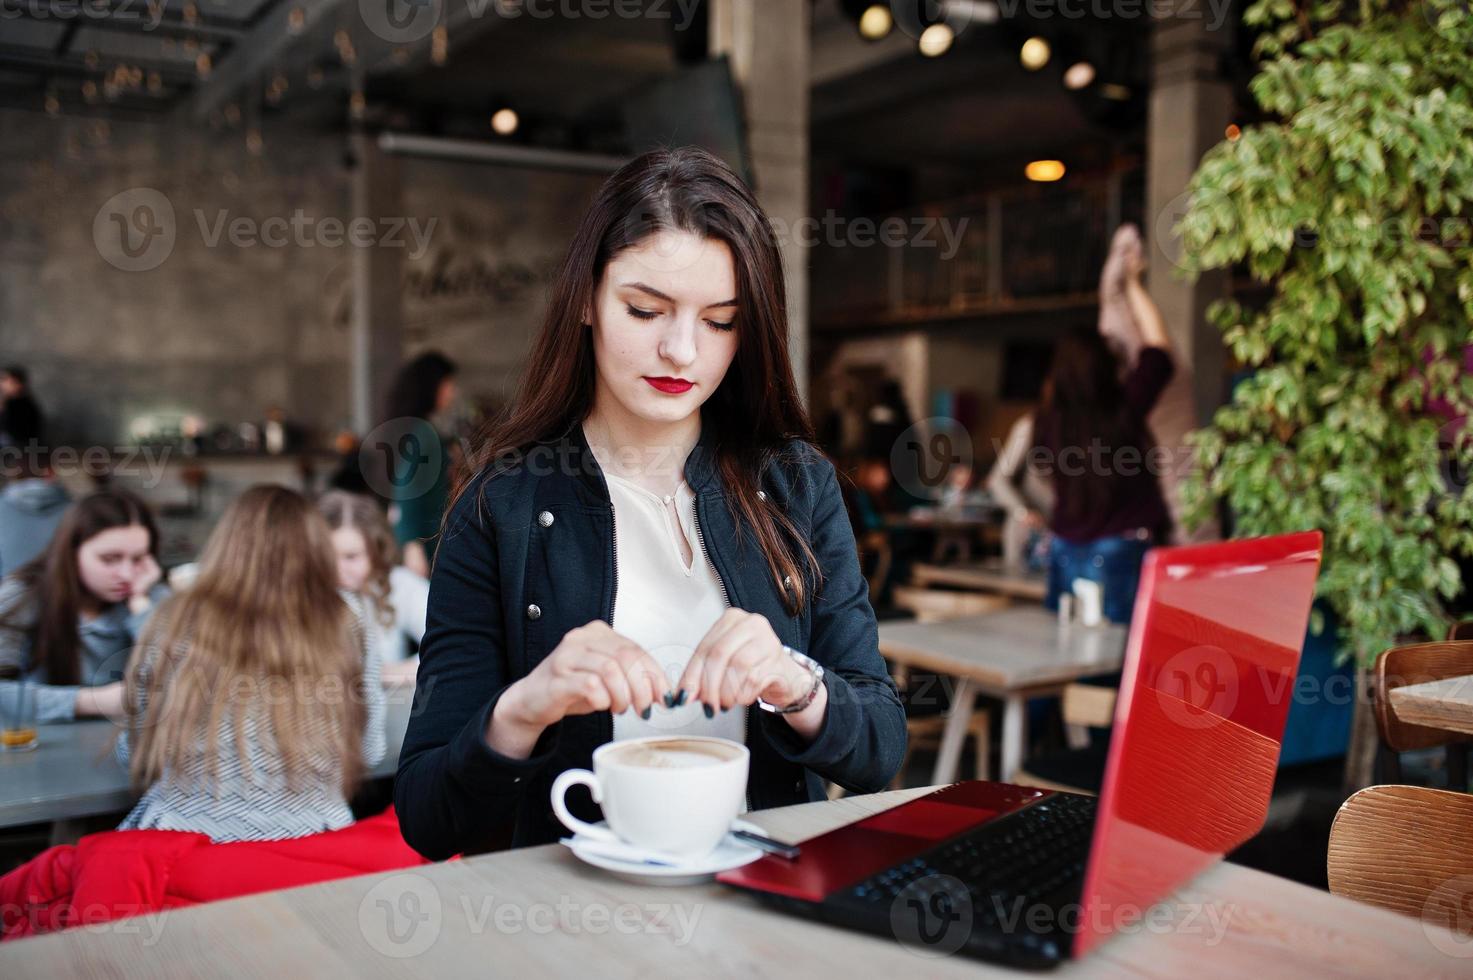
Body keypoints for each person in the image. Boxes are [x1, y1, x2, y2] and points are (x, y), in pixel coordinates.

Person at [394, 147, 907, 859]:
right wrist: (526, 706)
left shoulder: (795, 485)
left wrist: (794, 682)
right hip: (569, 926)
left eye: (721, 320)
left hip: (760, 912)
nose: (681, 351)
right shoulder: (500, 506)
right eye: (644, 309)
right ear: (585, 299)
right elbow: (427, 814)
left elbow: (878, 748)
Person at [116, 485, 385, 842]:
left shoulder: (172, 615)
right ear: (317, 549)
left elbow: (136, 754)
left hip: (184, 840)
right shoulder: (349, 617)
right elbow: (370, 751)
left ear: (225, 544)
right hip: (311, 842)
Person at [1032, 250, 1175, 624]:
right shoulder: (1122, 409)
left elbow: (1045, 477)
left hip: (1064, 546)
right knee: (1118, 660)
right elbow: (1158, 349)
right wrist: (1132, 286)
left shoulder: (1048, 423)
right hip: (1122, 545)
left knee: (1064, 655)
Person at [0, 490, 167, 722]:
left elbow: (181, 684)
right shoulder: (23, 596)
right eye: (110, 559)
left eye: (138, 558)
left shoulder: (150, 596)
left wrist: (141, 606)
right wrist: (95, 701)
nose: (127, 574)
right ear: (71, 552)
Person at [319, 490, 428, 686]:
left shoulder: (400, 585)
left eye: (351, 556)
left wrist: (381, 675)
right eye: (327, 557)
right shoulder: (304, 591)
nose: (337, 569)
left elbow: (457, 646)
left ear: (376, 550)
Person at [384, 352, 459, 578]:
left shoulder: (416, 428)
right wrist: (411, 545)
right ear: (432, 386)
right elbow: (407, 486)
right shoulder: (423, 434)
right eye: (448, 384)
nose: (452, 392)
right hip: (422, 542)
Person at [0, 448, 72, 576]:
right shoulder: (75, 510)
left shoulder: (2, 505)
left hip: (8, 588)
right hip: (56, 589)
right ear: (49, 472)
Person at [0, 366, 44, 450]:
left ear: (17, 383)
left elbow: (16, 432)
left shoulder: (21, 404)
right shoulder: (10, 402)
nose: (2, 384)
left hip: (19, 447)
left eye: (5, 380)